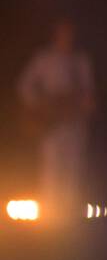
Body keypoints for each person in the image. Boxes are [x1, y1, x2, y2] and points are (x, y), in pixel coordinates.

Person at [16, 16, 95, 230]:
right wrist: (42, 105)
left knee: (72, 173)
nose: (66, 37)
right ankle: (50, 224)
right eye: (62, 32)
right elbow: (25, 86)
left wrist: (81, 105)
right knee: (51, 171)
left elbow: (89, 95)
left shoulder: (80, 60)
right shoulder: (44, 58)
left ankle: (69, 223)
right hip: (51, 125)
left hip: (74, 125)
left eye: (69, 33)